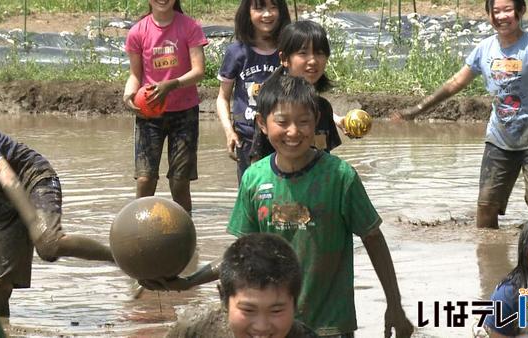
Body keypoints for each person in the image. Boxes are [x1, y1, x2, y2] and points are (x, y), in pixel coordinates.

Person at [140, 75, 413, 337]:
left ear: (317, 121)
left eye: (303, 121)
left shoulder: (340, 177)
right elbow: (242, 256)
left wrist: (394, 303)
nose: (293, 132)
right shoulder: (254, 179)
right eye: (282, 122)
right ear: (262, 123)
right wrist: (189, 281)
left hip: (329, 326)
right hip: (271, 328)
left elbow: (373, 238)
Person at [393, 0, 528, 229]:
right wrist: (417, 109)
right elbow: (454, 83)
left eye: (508, 10)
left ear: (521, 11)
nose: (501, 16)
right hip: (500, 139)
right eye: (496, 11)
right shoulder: (484, 49)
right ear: (489, 15)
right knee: (486, 206)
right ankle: (490, 256)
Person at [0, 123, 115, 317]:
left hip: (31, 180)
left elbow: (6, 175)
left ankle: (118, 258)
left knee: (49, 244)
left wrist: (33, 222)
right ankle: (3, 329)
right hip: (3, 211)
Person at [123, 0, 208, 213]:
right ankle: (138, 229)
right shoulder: (137, 31)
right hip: (149, 113)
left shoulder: (190, 27)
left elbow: (199, 71)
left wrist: (172, 85)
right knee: (145, 179)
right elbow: (135, 75)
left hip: (184, 112)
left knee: (180, 182)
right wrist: (128, 95)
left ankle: (185, 233)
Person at [164, 233, 317, 338]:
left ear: (295, 303)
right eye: (248, 310)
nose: (261, 327)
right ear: (224, 299)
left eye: (276, 311)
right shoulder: (193, 331)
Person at [216, 0, 290, 184]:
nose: (267, 14)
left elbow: (304, 93)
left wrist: (336, 119)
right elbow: (222, 98)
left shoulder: (289, 51)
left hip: (283, 136)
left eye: (273, 7)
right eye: (259, 8)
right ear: (247, 12)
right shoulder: (237, 52)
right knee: (251, 193)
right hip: (246, 137)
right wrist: (229, 132)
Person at [249, 20, 344, 162]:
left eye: (319, 53)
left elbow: (326, 160)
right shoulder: (273, 105)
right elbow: (257, 162)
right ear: (284, 58)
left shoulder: (323, 107)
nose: (313, 61)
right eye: (303, 53)